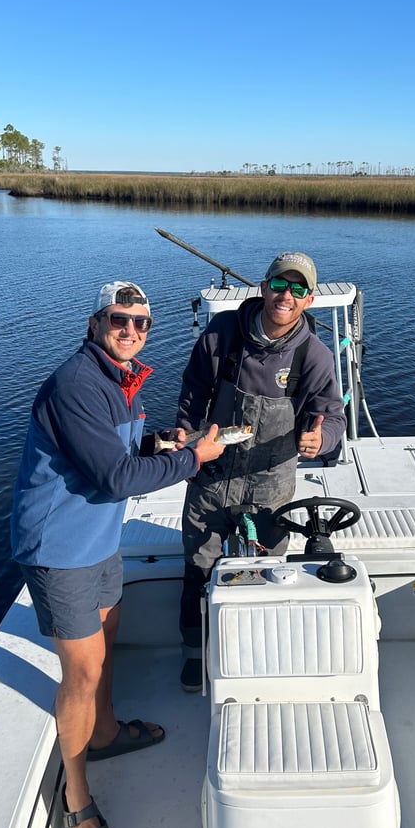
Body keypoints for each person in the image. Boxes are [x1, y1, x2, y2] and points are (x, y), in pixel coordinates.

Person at [10, 281, 225, 828]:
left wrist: (162, 441)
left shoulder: (121, 378)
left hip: (98, 539)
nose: (130, 329)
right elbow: (116, 478)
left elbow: (121, 450)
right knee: (81, 672)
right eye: (118, 319)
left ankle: (103, 734)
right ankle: (77, 798)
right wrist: (191, 460)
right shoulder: (78, 383)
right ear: (95, 322)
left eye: (141, 322)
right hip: (59, 547)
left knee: (106, 642)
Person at [176, 252, 347, 690]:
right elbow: (194, 391)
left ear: (308, 300)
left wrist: (320, 440)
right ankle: (196, 655)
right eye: (279, 284)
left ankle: (259, 654)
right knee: (198, 570)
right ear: (263, 285)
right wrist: (189, 439)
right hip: (211, 477)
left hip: (271, 486)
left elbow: (333, 419)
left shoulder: (315, 356)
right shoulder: (223, 333)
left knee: (272, 574)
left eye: (298, 289)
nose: (285, 296)